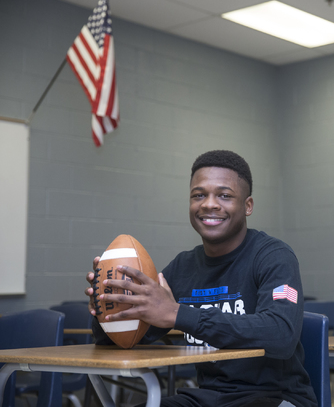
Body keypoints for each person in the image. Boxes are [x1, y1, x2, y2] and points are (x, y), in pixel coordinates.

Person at [85, 150, 317, 407]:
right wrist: (106, 308)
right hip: (208, 398)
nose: (209, 204)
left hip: (275, 397)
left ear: (247, 206)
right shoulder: (183, 267)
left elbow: (280, 334)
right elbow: (130, 338)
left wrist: (179, 314)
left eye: (225, 195)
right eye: (199, 195)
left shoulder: (274, 256)